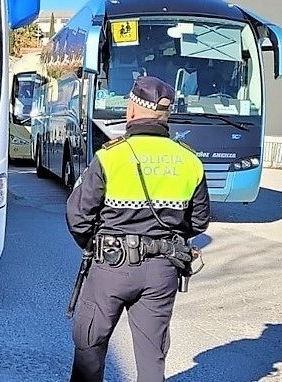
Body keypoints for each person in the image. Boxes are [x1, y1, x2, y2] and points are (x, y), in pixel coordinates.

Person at [65, 75, 211, 382]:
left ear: (132, 110)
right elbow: (199, 221)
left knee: (90, 346)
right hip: (163, 271)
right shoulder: (189, 160)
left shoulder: (111, 156)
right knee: (151, 357)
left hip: (111, 267)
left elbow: (78, 216)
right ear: (165, 115)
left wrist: (97, 244)